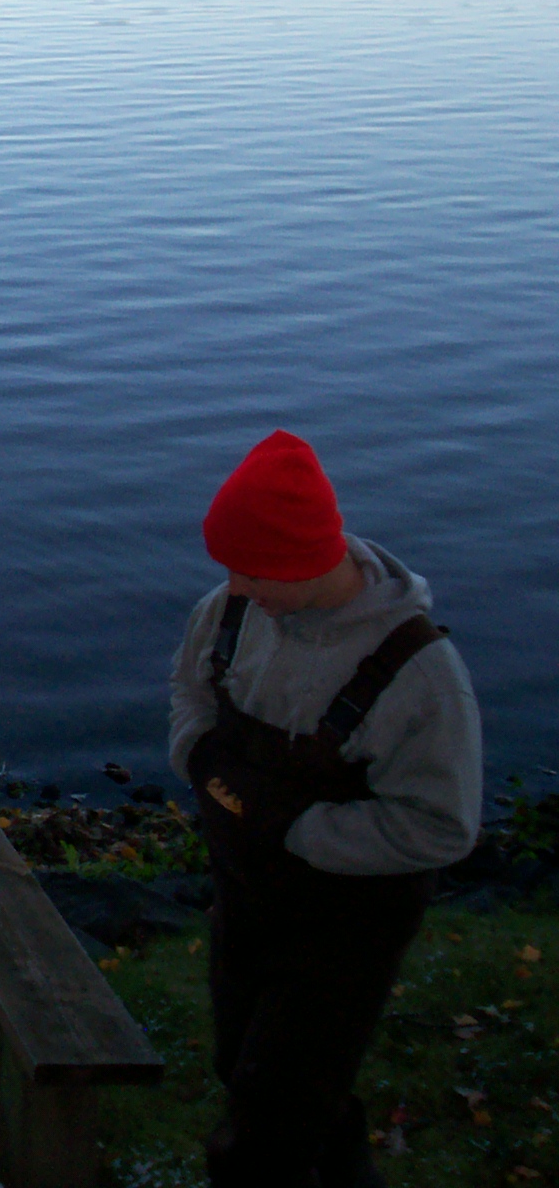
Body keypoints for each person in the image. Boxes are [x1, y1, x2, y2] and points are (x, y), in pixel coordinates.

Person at [170, 429, 480, 1188]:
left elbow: (444, 825)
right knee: (249, 1064)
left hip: (347, 924)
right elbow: (189, 687)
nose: (236, 587)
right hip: (246, 896)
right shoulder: (233, 609)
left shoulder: (417, 675)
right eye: (231, 567)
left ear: (313, 557)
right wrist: (194, 751)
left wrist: (303, 830)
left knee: (264, 1127)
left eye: (254, 569)